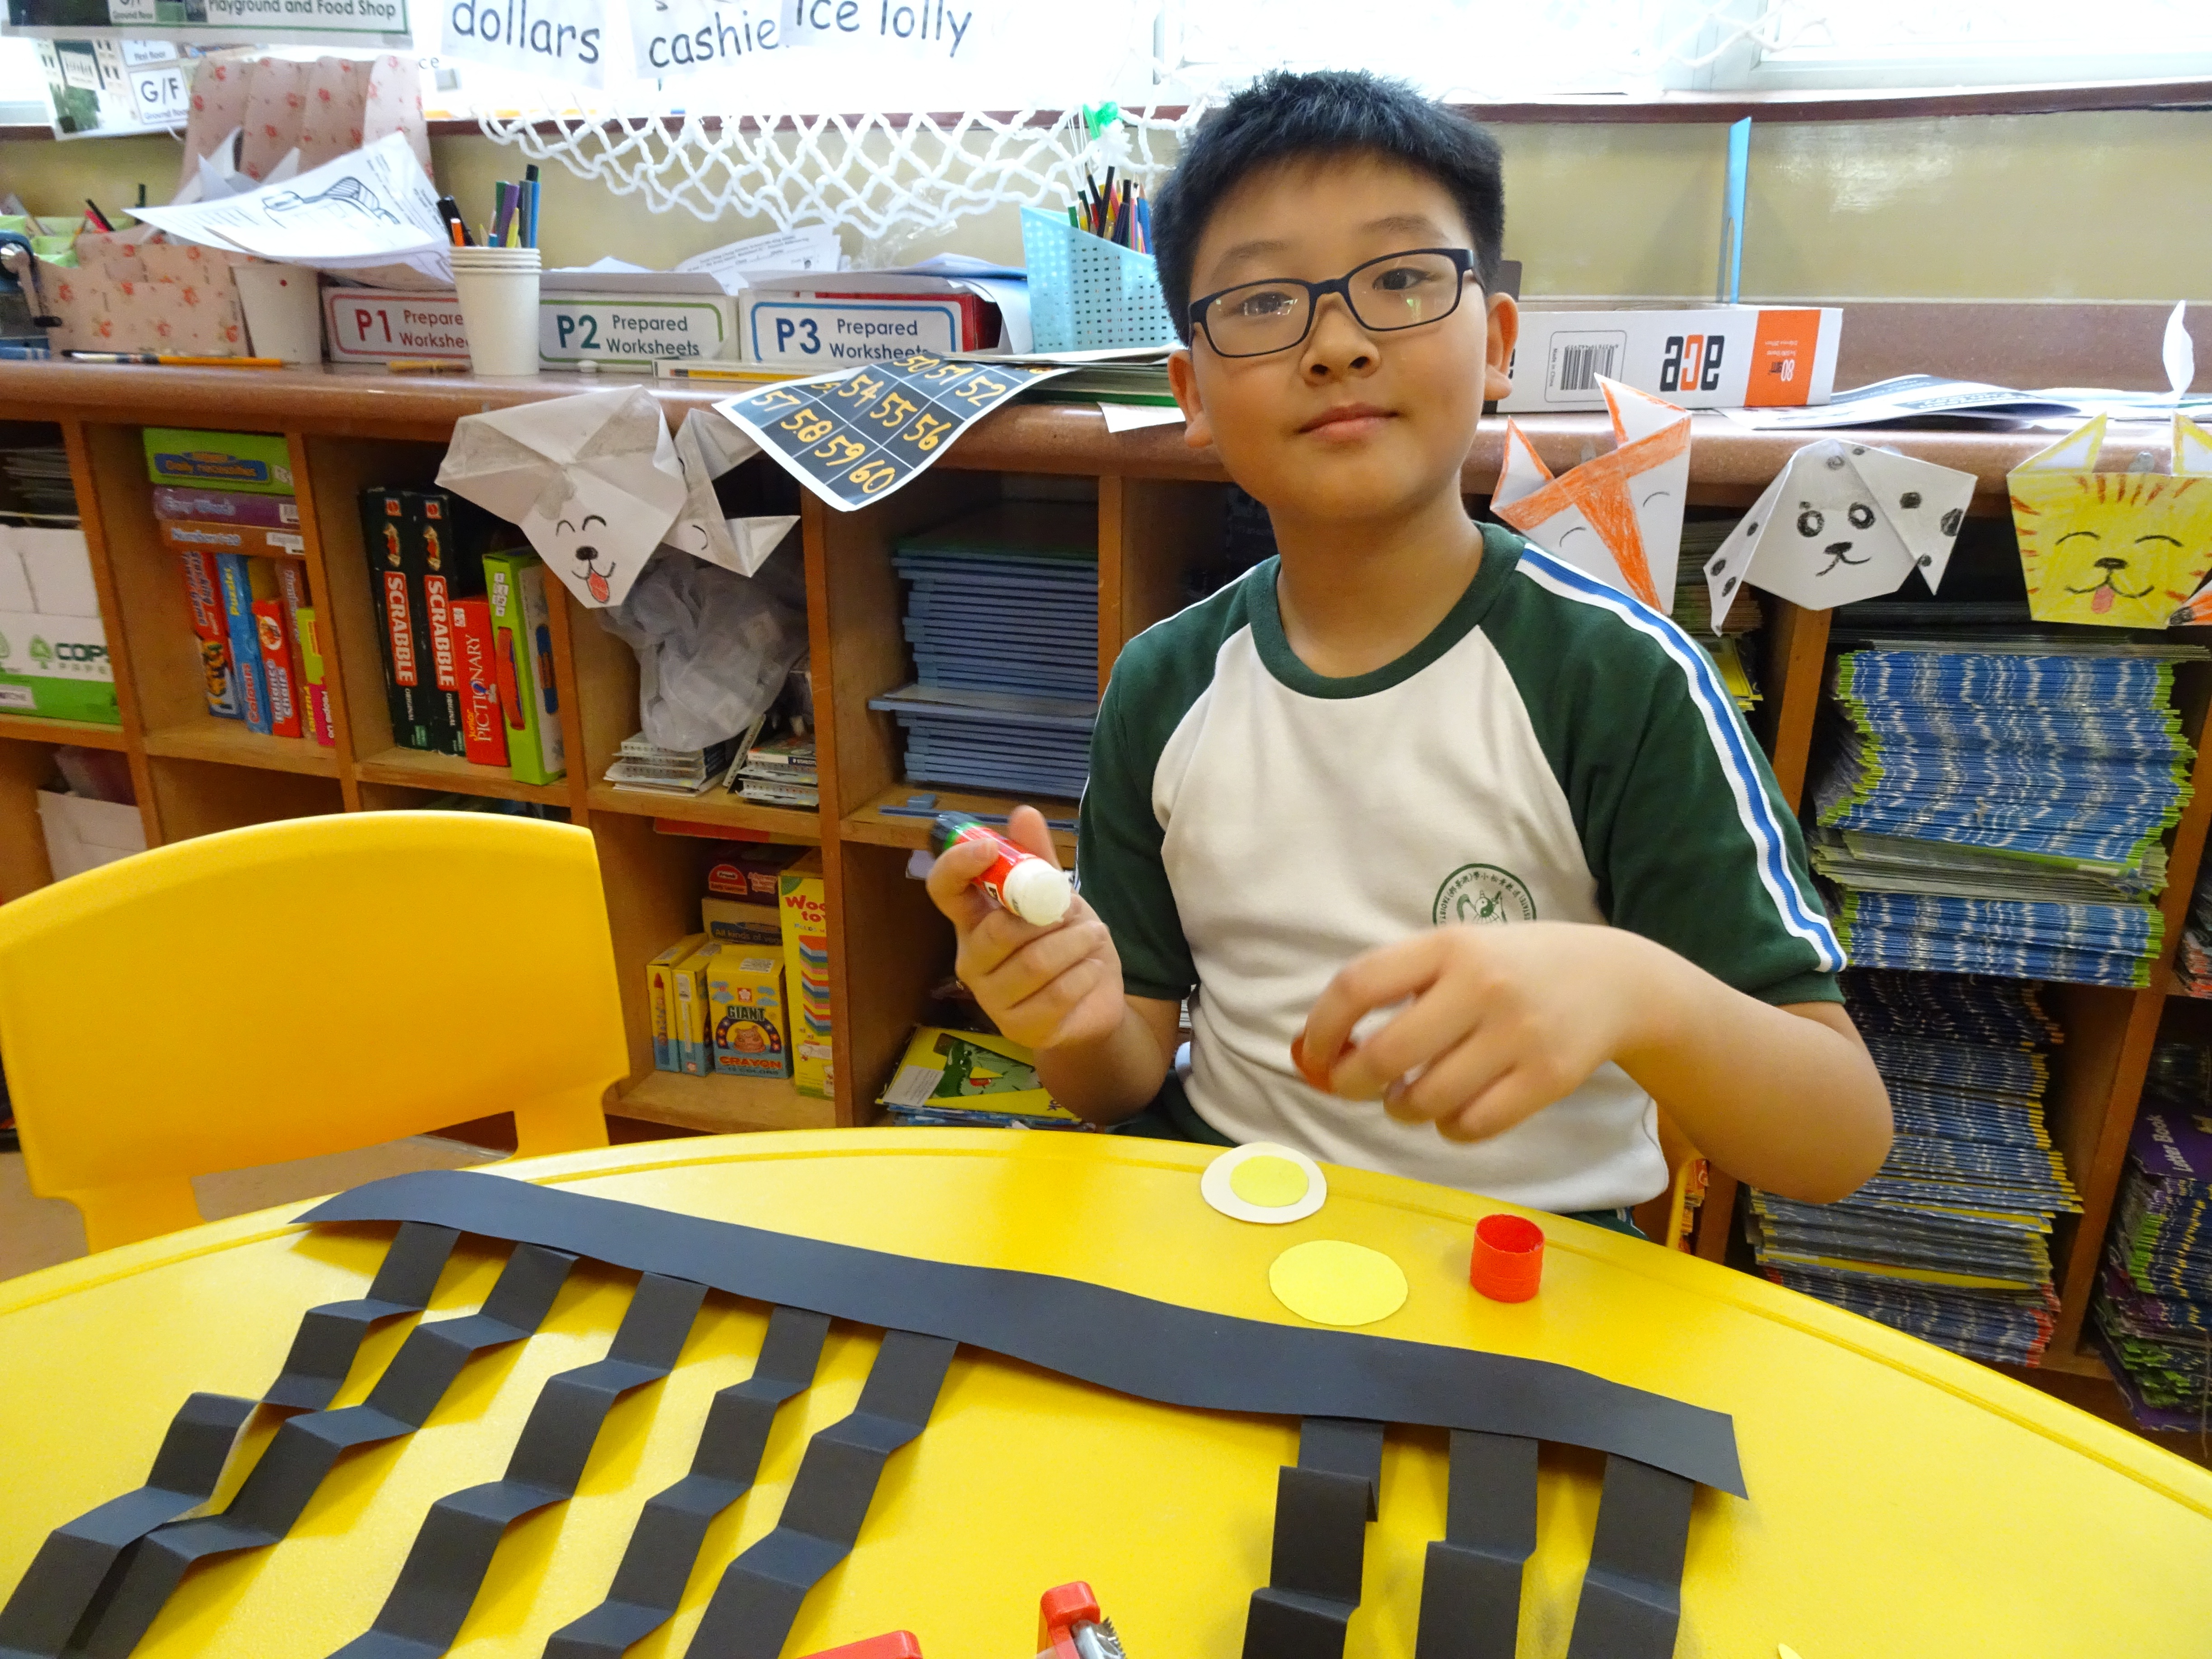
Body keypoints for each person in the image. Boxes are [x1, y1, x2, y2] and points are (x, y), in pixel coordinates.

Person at [926, 68, 1891, 1228]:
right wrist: (1070, 1021)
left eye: (1399, 280)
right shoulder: (1164, 683)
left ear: (1499, 343)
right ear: (1192, 392)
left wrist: (1639, 990)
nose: (1336, 344)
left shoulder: (1619, 680)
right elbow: (1119, 1075)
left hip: (1522, 1261)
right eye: (1262, 303)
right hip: (1221, 1217)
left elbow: (1838, 1140)